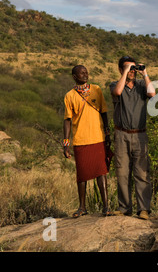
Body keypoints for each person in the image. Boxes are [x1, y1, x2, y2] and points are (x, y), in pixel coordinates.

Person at [63, 65, 113, 218]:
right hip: (80, 139)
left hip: (98, 137)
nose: (85, 75)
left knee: (101, 172)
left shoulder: (96, 90)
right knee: (82, 175)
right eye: (82, 73)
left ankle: (106, 207)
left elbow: (104, 112)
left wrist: (107, 132)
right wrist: (66, 143)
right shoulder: (69, 96)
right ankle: (82, 207)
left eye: (86, 72)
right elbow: (67, 121)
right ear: (74, 76)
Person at [110, 56, 156, 220]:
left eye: (133, 68)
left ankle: (144, 209)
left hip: (140, 134)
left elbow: (152, 93)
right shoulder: (115, 85)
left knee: (141, 173)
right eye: (128, 68)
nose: (132, 72)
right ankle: (124, 207)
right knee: (122, 172)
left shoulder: (142, 85)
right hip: (121, 134)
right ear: (120, 70)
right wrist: (125, 73)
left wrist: (144, 73)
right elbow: (117, 92)